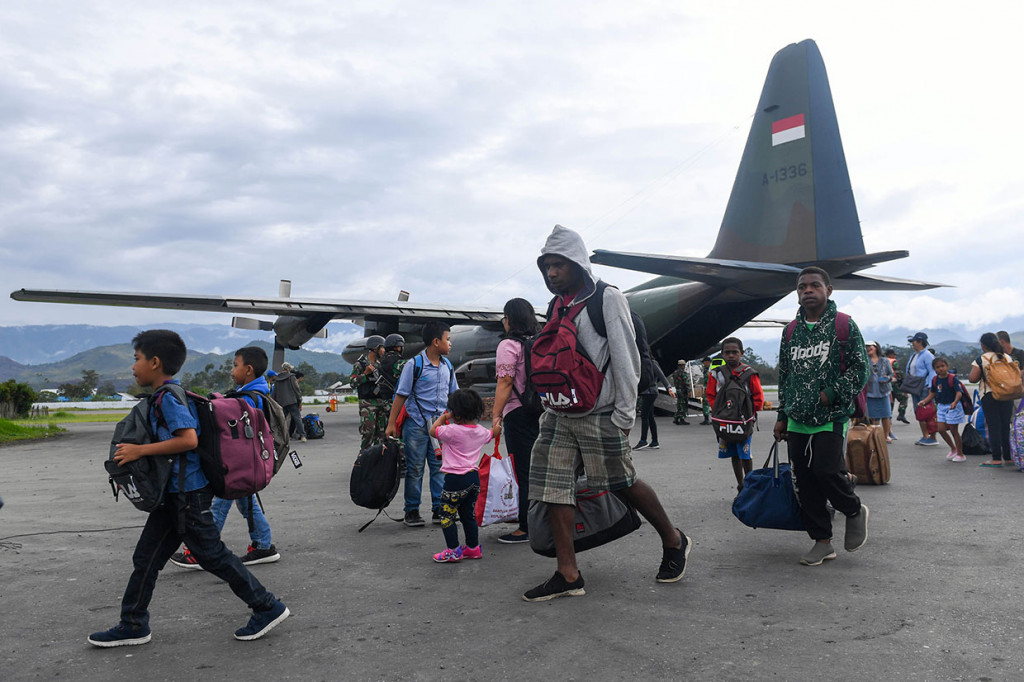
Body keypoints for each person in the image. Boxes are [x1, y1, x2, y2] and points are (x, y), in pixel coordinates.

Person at [523, 225, 691, 602]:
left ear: (577, 263)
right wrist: (547, 409)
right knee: (553, 490)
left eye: (558, 265)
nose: (551, 273)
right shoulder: (556, 305)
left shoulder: (607, 298)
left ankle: (674, 539)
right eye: (546, 266)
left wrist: (623, 416)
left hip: (600, 414)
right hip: (559, 415)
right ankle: (568, 574)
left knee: (622, 482)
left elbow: (626, 357)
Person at [88, 330, 288, 648]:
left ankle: (267, 606)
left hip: (188, 495)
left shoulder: (169, 397)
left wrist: (139, 451)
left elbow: (188, 439)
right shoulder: (165, 395)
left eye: (136, 359)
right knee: (147, 558)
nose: (133, 367)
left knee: (213, 556)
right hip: (175, 495)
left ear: (155, 363)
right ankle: (133, 623)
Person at [774, 267, 870, 567]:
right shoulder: (790, 331)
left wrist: (832, 393)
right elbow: (785, 375)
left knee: (826, 471)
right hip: (796, 418)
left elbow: (860, 368)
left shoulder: (844, 325)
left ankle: (853, 510)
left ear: (828, 290)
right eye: (802, 286)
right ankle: (822, 541)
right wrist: (781, 415)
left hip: (831, 416)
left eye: (815, 285)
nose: (808, 290)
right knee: (804, 481)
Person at [170, 346, 281, 570]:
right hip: (246, 463)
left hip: (238, 464)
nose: (232, 371)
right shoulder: (255, 392)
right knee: (246, 501)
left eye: (235, 365)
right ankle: (263, 545)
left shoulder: (250, 398)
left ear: (248, 369)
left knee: (220, 504)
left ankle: (202, 552)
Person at [385, 321, 459, 527]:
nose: (450, 343)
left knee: (438, 467)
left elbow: (454, 395)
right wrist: (392, 424)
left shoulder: (448, 366)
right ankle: (412, 511)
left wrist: (457, 422)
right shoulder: (414, 365)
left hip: (440, 427)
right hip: (416, 425)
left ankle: (438, 508)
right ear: (436, 342)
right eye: (447, 339)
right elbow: (401, 395)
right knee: (415, 468)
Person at [490, 298, 541, 544]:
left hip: (518, 412)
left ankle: (526, 526)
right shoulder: (537, 341)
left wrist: (496, 414)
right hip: (542, 410)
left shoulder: (508, 345)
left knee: (522, 469)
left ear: (509, 319)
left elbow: (506, 382)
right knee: (539, 467)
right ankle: (542, 518)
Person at [430, 389, 502, 562]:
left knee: (446, 514)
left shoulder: (451, 431)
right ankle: (473, 548)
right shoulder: (480, 431)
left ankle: (453, 550)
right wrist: (497, 427)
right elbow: (493, 433)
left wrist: (443, 418)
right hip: (473, 479)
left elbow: (433, 431)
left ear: (455, 414)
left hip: (455, 479)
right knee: (467, 515)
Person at [707, 337, 764, 492]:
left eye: (735, 352)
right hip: (724, 421)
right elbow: (710, 394)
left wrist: (751, 414)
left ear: (742, 353)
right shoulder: (715, 374)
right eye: (727, 352)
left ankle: (750, 483)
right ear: (722, 354)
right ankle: (740, 484)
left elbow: (758, 396)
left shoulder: (750, 373)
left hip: (744, 421)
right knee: (734, 453)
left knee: (745, 452)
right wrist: (718, 411)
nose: (731, 355)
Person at [970, 333, 1015, 467]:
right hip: (1007, 394)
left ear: (983, 345)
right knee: (1005, 426)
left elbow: (972, 378)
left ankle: (996, 458)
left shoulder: (982, 358)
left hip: (990, 395)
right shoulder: (1007, 357)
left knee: (994, 426)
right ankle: (1008, 458)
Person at [634, 315, 676, 450]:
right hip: (648, 392)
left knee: (645, 416)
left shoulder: (651, 362)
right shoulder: (643, 363)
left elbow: (662, 376)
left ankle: (643, 440)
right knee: (650, 416)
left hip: (650, 392)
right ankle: (655, 441)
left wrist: (669, 387)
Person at [918, 357, 967, 462]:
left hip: (953, 406)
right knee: (940, 429)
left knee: (954, 430)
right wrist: (925, 401)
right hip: (941, 406)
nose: (941, 369)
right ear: (934, 369)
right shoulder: (935, 379)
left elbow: (959, 392)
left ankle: (960, 453)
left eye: (942, 366)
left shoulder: (953, 378)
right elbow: (933, 393)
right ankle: (953, 449)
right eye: (938, 367)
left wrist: (954, 402)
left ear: (947, 366)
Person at [350, 335, 389, 450]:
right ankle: (363, 459)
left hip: (381, 402)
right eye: (382, 348)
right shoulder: (360, 365)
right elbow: (352, 383)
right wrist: (365, 374)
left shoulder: (380, 365)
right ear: (375, 348)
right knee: (368, 433)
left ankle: (377, 461)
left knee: (381, 434)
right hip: (367, 404)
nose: (384, 351)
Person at [906, 332, 937, 446]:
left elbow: (932, 372)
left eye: (913, 341)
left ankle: (932, 436)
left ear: (919, 342)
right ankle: (925, 435)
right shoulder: (914, 355)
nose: (912, 344)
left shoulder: (927, 355)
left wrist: (930, 387)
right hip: (915, 386)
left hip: (924, 386)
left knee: (927, 411)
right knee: (918, 410)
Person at [864, 341, 895, 443]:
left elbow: (891, 374)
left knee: (886, 415)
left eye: (870, 346)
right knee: (873, 416)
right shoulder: (864, 360)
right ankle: (875, 436)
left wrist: (888, 378)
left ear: (876, 347)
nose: (868, 348)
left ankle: (886, 436)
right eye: (866, 347)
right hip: (870, 391)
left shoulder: (885, 361)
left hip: (883, 390)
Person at [273, 362, 306, 442]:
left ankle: (280, 437)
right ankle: (302, 436)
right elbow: (297, 390)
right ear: (289, 369)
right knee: (297, 419)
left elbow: (275, 392)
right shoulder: (292, 377)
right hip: (292, 402)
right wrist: (299, 401)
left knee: (281, 421)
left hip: (281, 403)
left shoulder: (277, 379)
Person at [886, 348, 910, 425]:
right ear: (890, 354)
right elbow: (899, 374)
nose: (894, 356)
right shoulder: (893, 362)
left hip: (885, 384)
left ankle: (888, 418)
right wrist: (903, 384)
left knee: (890, 401)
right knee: (904, 398)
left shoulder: (882, 360)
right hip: (894, 384)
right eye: (893, 354)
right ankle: (901, 414)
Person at [671, 360, 691, 425]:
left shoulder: (675, 372)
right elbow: (686, 382)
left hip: (678, 390)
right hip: (683, 391)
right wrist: (689, 390)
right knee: (683, 404)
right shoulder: (683, 373)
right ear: (682, 365)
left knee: (679, 404)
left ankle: (676, 418)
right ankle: (682, 419)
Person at [700, 357, 712, 425]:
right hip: (708, 388)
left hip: (708, 389)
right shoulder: (707, 369)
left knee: (705, 404)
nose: (703, 364)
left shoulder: (709, 370)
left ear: (707, 362)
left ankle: (706, 419)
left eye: (704, 362)